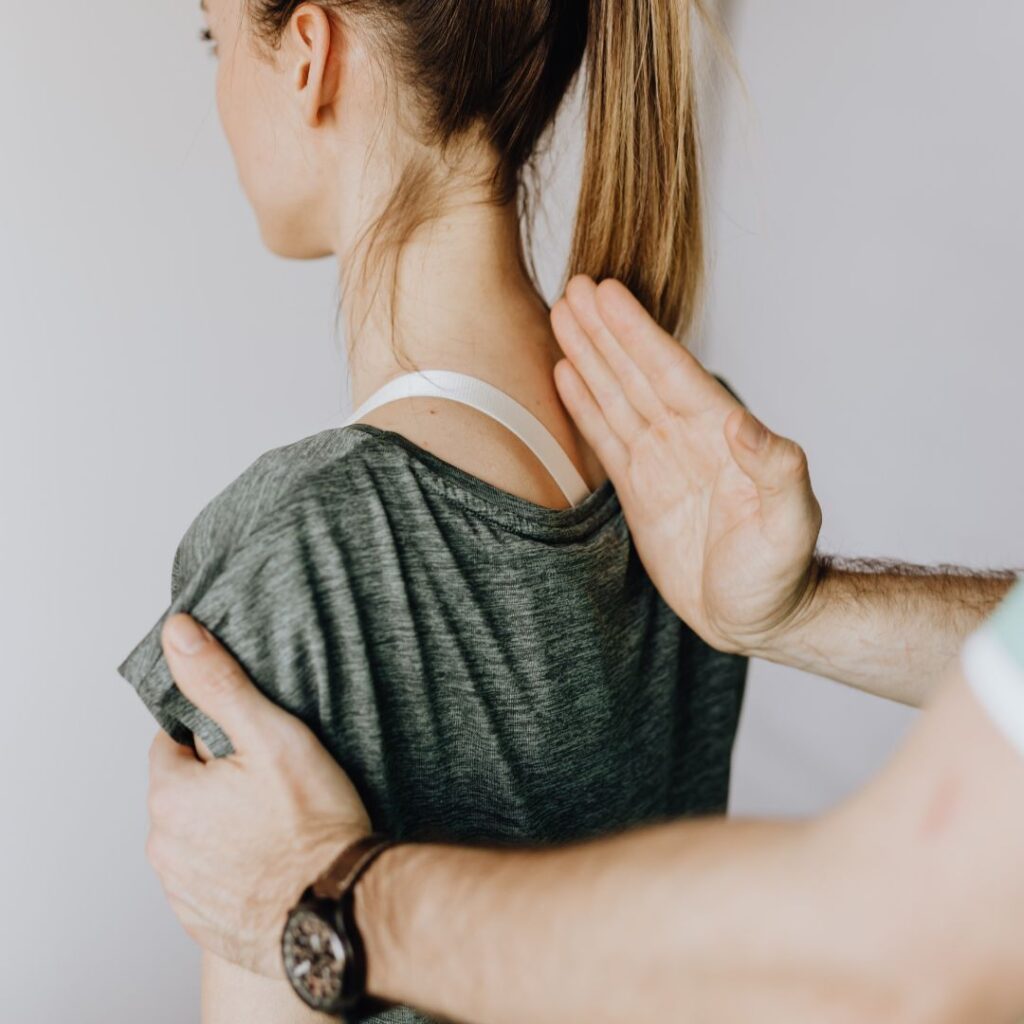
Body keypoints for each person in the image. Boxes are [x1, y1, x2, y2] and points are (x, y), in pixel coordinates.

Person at [145, 277, 1024, 1023]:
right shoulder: (655, 471)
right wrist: (801, 609)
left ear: (310, 66)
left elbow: (907, 952)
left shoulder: (298, 547)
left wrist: (329, 895)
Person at [118, 2, 754, 1020]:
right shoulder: (688, 468)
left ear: (310, 57)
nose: (215, 82)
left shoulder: (304, 552)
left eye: (214, 37)